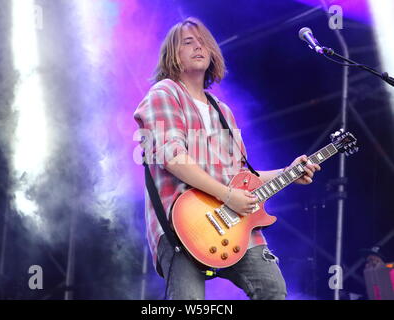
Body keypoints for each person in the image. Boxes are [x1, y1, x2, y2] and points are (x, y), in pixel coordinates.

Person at [134, 17, 321, 300]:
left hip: (236, 225)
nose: (199, 47)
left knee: (273, 290)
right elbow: (173, 157)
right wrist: (228, 194)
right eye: (188, 42)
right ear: (173, 54)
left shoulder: (222, 110)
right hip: (184, 225)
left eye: (203, 42)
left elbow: (243, 178)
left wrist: (290, 171)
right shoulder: (165, 93)